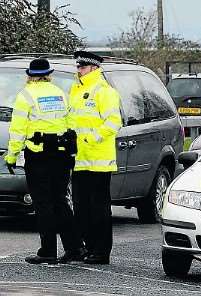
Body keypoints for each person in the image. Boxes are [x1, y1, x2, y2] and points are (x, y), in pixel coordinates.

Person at [4, 58, 84, 264]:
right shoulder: (60, 94)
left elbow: (18, 130)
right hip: (61, 154)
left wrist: (12, 156)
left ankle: (48, 250)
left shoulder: (25, 95)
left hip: (38, 155)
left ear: (29, 75)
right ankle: (75, 248)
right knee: (60, 201)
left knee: (43, 204)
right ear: (49, 74)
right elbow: (71, 123)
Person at [69, 51, 122, 264]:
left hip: (99, 161)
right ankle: (88, 248)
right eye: (78, 67)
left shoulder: (104, 91)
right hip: (79, 160)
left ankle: (101, 252)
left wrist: (91, 138)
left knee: (98, 209)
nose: (79, 70)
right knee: (81, 207)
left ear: (93, 68)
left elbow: (113, 122)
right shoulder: (75, 90)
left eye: (82, 67)